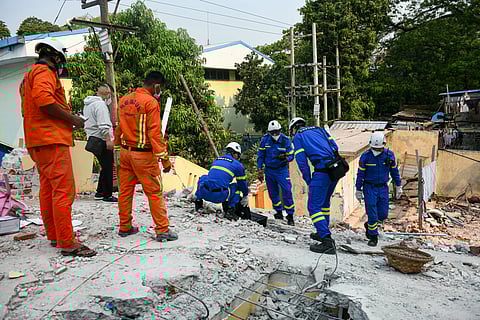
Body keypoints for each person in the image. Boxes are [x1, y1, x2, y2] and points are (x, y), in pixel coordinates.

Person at [20, 39, 96, 257]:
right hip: (51, 139)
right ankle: (66, 242)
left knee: (49, 190)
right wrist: (73, 119)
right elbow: (45, 101)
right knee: (63, 191)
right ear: (56, 57)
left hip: (37, 140)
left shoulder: (28, 76)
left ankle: (55, 235)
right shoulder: (44, 73)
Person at [114, 71, 177, 242]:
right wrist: (165, 160)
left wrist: (117, 148)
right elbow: (155, 134)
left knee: (125, 192)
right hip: (143, 156)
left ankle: (125, 226)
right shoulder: (151, 103)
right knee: (154, 193)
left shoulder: (124, 99)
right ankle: (162, 229)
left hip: (126, 153)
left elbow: (119, 127)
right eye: (160, 87)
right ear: (156, 85)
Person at [289, 117, 340, 254]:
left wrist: (308, 179)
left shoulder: (298, 137)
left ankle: (327, 241)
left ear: (294, 128)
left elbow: (301, 161)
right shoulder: (320, 130)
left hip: (322, 172)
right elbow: (335, 147)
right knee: (324, 203)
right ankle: (321, 231)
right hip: (335, 169)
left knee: (313, 206)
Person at [355, 131, 402, 247]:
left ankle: (369, 225)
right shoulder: (365, 157)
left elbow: (394, 171)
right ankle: (373, 236)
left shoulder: (389, 155)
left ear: (384, 146)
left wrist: (399, 185)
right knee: (372, 214)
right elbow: (360, 174)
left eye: (379, 148)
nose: (377, 150)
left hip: (383, 187)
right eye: (374, 148)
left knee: (383, 214)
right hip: (369, 187)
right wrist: (358, 189)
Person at [194, 142, 249, 221]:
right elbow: (242, 183)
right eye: (238, 156)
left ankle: (198, 203)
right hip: (219, 197)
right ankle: (229, 210)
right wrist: (245, 195)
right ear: (235, 153)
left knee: (203, 178)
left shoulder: (217, 160)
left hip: (205, 193)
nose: (238, 158)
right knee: (237, 187)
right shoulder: (237, 165)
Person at [257, 120, 295, 225]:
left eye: (277, 132)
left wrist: (286, 158)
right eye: (272, 133)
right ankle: (278, 212)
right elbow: (260, 155)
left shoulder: (285, 140)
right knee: (273, 193)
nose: (275, 135)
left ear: (280, 131)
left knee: (287, 191)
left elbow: (292, 155)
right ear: (269, 132)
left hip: (281, 170)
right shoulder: (265, 140)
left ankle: (290, 215)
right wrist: (259, 169)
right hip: (269, 170)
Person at [83, 84, 117, 202]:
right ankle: (107, 194)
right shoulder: (100, 105)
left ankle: (100, 192)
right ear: (108, 94)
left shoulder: (88, 104)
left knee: (104, 166)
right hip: (101, 139)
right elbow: (103, 125)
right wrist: (108, 139)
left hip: (92, 137)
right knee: (108, 166)